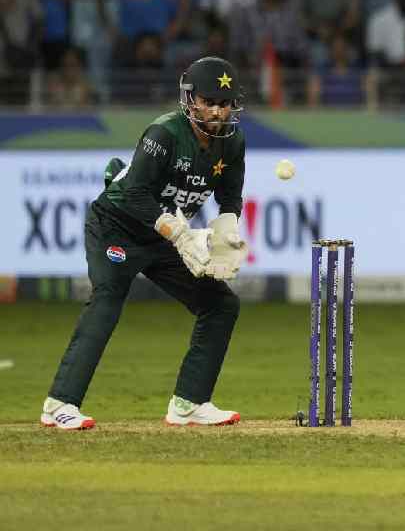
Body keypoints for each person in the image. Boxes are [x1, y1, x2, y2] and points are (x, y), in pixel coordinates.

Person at [41, 56, 250, 430]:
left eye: (224, 103)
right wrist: (181, 234)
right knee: (108, 298)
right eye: (209, 101)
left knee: (221, 305)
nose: (217, 111)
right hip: (116, 225)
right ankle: (59, 404)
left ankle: (189, 402)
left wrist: (226, 232)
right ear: (191, 100)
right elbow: (136, 193)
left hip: (163, 237)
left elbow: (230, 198)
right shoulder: (164, 134)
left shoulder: (233, 144)